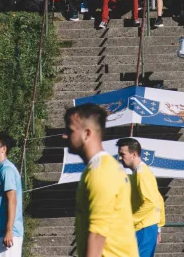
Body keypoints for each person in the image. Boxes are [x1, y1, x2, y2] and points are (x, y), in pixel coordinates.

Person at [62, 104, 139, 257]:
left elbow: (98, 234)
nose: (64, 136)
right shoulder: (99, 168)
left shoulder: (100, 172)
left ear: (87, 134)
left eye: (70, 131)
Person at [116, 138, 165, 257]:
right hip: (145, 227)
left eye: (122, 154)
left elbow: (150, 202)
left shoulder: (142, 174)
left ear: (133, 154)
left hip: (144, 228)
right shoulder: (139, 172)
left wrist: (129, 221)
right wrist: (159, 227)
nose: (119, 158)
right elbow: (158, 199)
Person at [0, 131, 23, 257]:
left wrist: (9, 231)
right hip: (1, 234)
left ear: (3, 149)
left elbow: (12, 200)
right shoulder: (2, 170)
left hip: (7, 236)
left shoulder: (6, 170)